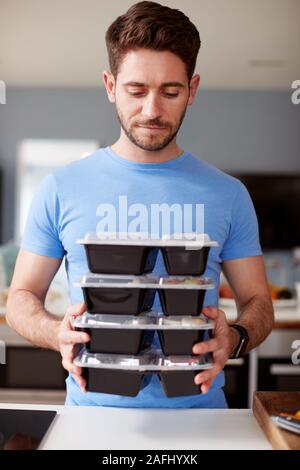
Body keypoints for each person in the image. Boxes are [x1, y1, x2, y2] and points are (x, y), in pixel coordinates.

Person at [7, 1, 274, 408]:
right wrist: (54, 332)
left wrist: (234, 337)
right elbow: (22, 297)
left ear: (193, 90)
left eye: (170, 92)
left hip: (200, 420)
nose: (152, 111)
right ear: (110, 85)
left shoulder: (229, 195)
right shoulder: (60, 188)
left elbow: (259, 304)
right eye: (136, 90)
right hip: (91, 422)